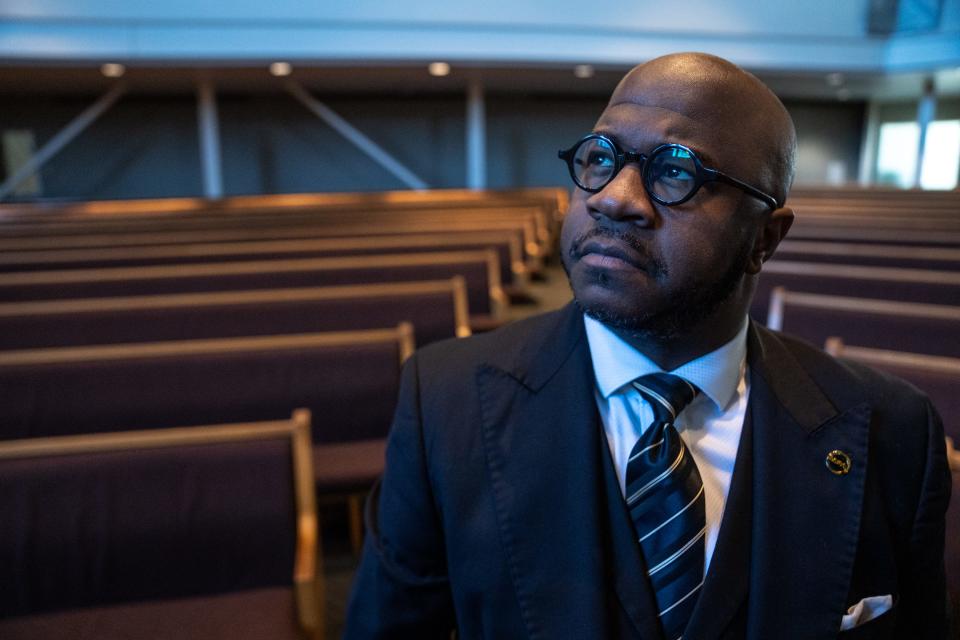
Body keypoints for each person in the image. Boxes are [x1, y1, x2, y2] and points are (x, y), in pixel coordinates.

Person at [344, 52, 951, 639]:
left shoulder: (890, 429)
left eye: (675, 171)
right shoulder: (445, 403)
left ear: (764, 238)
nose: (613, 197)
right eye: (600, 157)